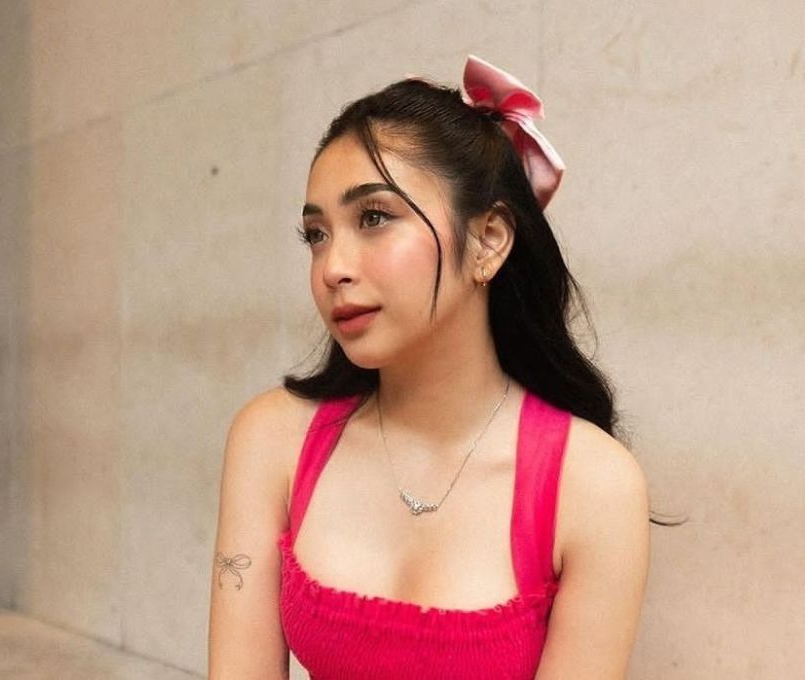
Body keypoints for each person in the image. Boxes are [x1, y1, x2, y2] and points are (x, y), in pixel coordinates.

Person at [208, 55, 652, 680]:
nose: (332, 268)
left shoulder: (592, 484)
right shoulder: (272, 439)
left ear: (489, 240)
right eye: (316, 234)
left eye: (374, 218)